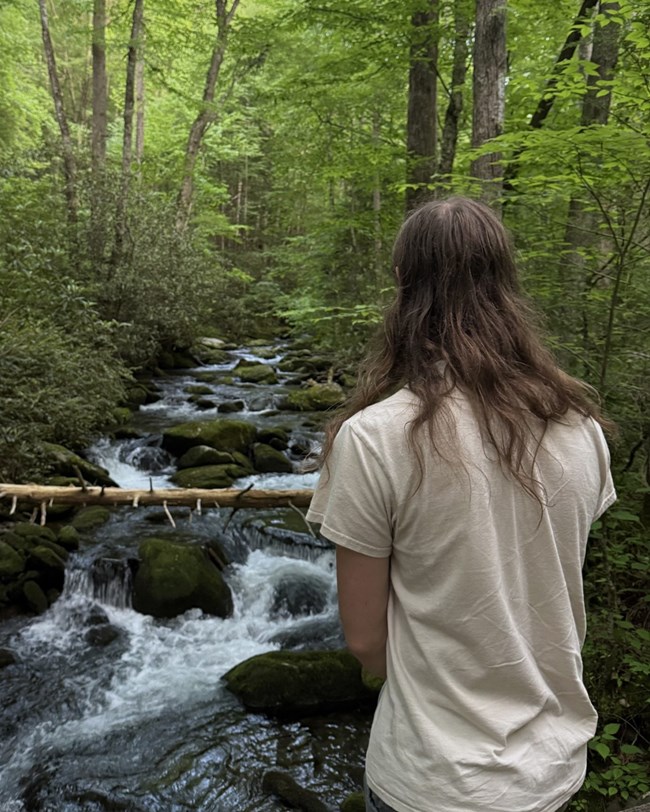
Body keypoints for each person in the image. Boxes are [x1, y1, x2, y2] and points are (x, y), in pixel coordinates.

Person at [305, 197, 616, 812]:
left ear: (402, 286)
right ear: (506, 285)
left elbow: (366, 640)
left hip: (429, 779)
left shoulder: (374, 438)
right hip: (549, 772)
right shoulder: (581, 428)